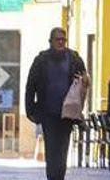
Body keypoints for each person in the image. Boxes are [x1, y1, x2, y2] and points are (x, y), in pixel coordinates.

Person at [25, 28, 88, 180]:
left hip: (67, 113)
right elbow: (31, 85)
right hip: (48, 113)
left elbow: (84, 83)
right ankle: (53, 177)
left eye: (63, 40)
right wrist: (30, 110)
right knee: (52, 149)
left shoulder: (74, 59)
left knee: (63, 150)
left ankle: (59, 176)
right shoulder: (41, 60)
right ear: (50, 41)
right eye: (57, 39)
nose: (60, 42)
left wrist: (79, 108)